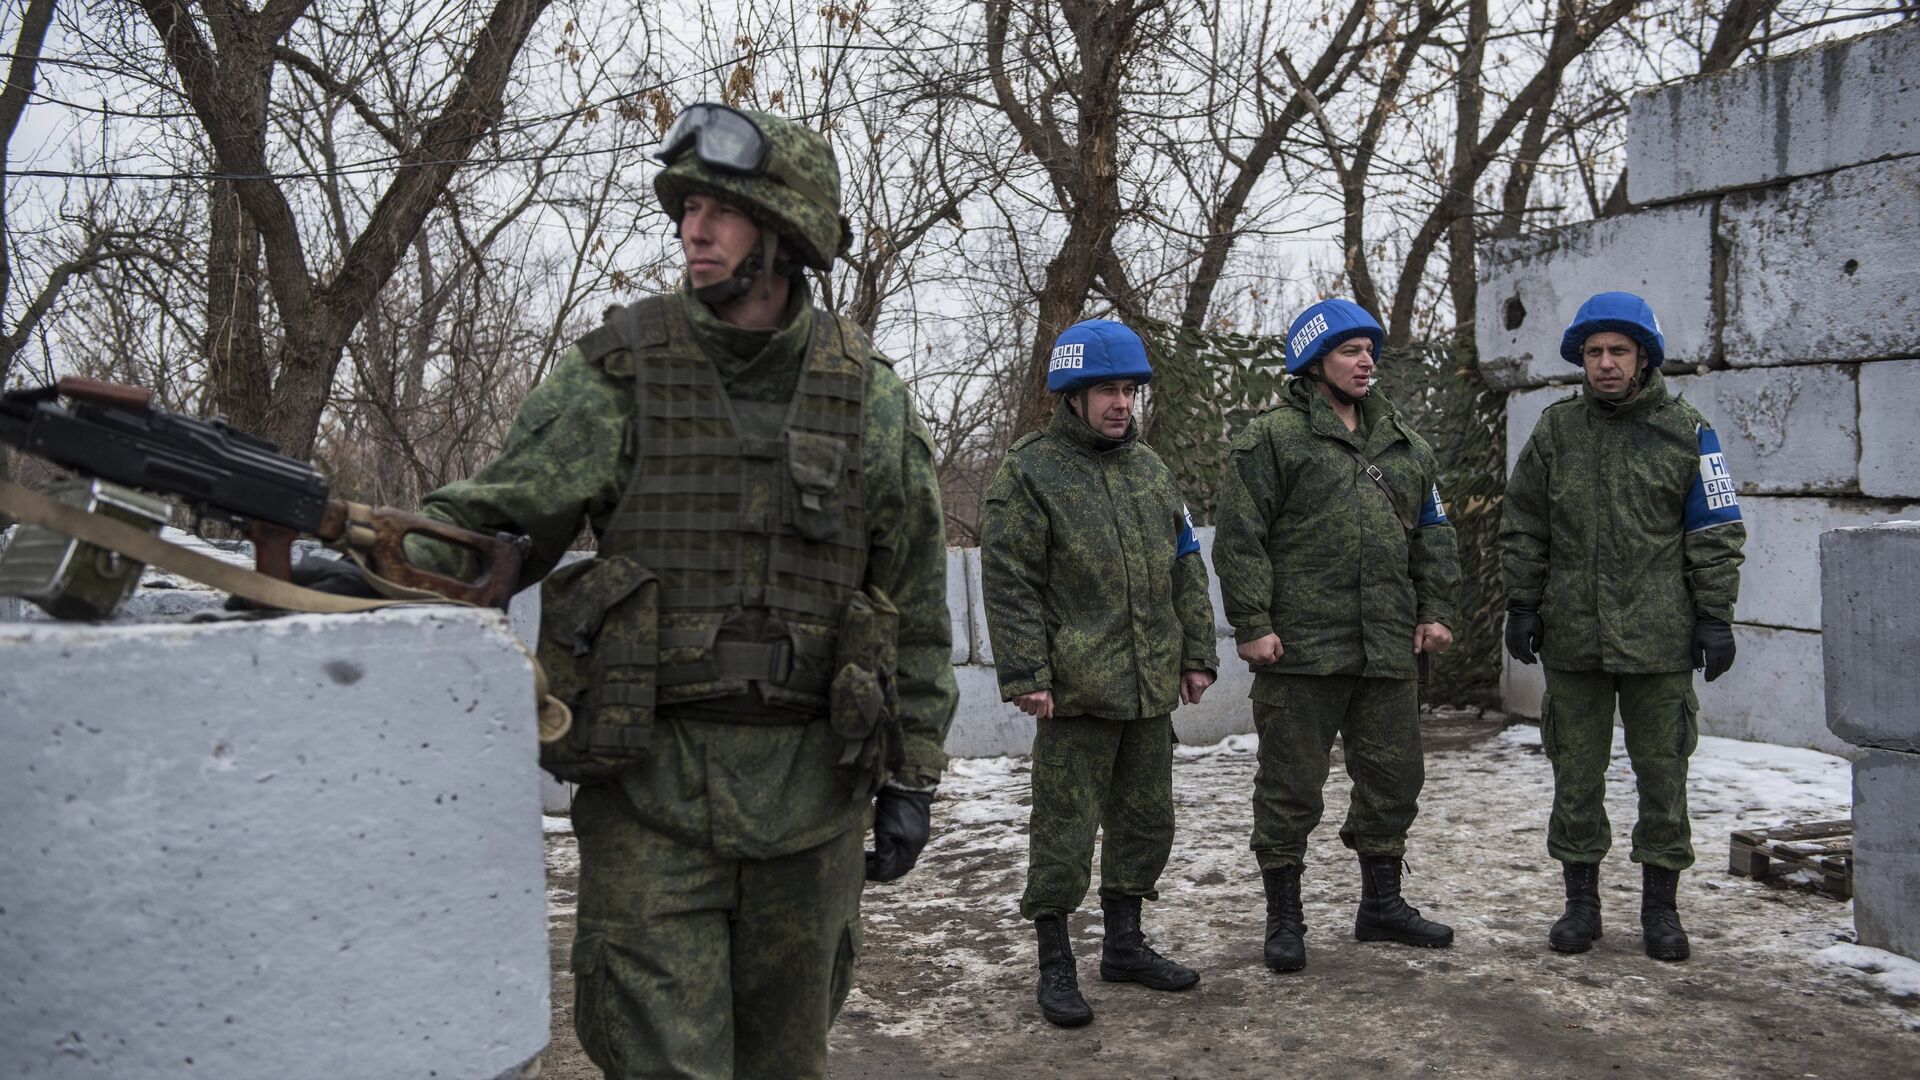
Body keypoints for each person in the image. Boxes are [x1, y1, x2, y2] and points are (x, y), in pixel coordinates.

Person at [401, 103, 957, 1078]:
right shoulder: (618, 373)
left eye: (721, 211)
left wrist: (912, 772)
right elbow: (494, 523)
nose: (692, 229)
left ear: (786, 235)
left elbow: (911, 599)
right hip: (652, 795)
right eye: (687, 207)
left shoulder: (867, 394)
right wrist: (376, 560)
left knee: (788, 1061)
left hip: (814, 801)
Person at [980, 319, 1219, 1028]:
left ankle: (1125, 946)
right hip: (1075, 693)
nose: (1122, 403)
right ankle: (1056, 964)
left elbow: (1185, 564)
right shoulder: (1031, 471)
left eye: (1130, 390)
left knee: (1147, 822)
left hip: (1148, 688)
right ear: (1073, 396)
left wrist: (1197, 654)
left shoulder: (1150, 470)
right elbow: (1010, 578)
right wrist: (1028, 671)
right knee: (1064, 830)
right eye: (1107, 391)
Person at [1212, 297, 1460, 974]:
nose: (1365, 361)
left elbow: (1433, 532)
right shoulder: (1271, 439)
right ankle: (1285, 921)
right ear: (1315, 361)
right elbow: (1241, 539)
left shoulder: (1406, 445)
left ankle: (1381, 906)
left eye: (1370, 350)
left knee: (1393, 779)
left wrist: (1434, 609)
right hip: (1301, 652)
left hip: (1387, 649)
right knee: (1290, 787)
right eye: (1350, 351)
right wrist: (1253, 624)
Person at [1499, 290, 1744, 962]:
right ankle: (1581, 906)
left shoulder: (1688, 431)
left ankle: (1660, 911)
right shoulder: (1556, 431)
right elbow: (1524, 521)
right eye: (1594, 352)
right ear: (1582, 359)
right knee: (1575, 775)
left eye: (1619, 351)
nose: (1605, 363)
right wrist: (1523, 602)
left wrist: (1715, 616)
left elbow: (1717, 530)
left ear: (1643, 359)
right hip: (1574, 639)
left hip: (1659, 639)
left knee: (1663, 775)